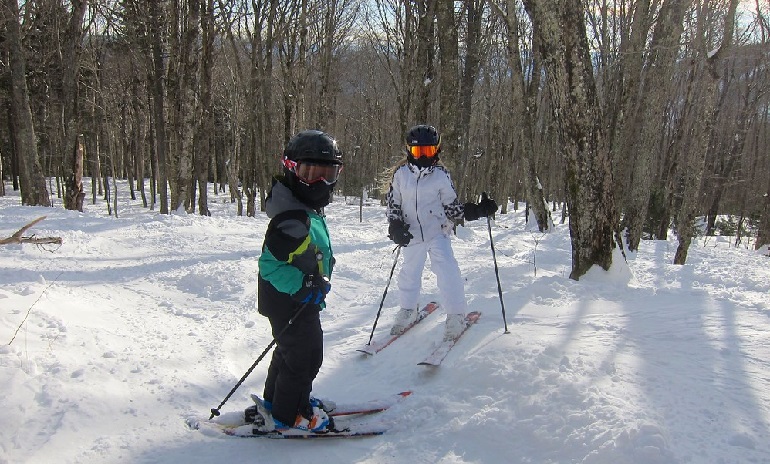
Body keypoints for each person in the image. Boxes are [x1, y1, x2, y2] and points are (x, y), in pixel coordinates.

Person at [256, 129, 343, 433]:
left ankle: (274, 402)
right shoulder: (292, 217)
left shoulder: (304, 208)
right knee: (305, 358)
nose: (320, 182)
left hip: (295, 300)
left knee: (289, 352)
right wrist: (304, 284)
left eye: (327, 173)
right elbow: (269, 266)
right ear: (292, 170)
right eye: (310, 173)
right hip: (289, 300)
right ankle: (290, 414)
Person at [385, 124, 497, 341]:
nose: (424, 157)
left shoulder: (440, 175)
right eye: (419, 152)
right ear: (409, 150)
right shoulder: (400, 175)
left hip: (437, 232)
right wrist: (395, 227)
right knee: (409, 273)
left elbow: (452, 208)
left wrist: (478, 210)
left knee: (447, 271)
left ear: (437, 150)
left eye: (428, 151)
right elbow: (393, 205)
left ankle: (455, 315)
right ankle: (408, 310)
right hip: (412, 234)